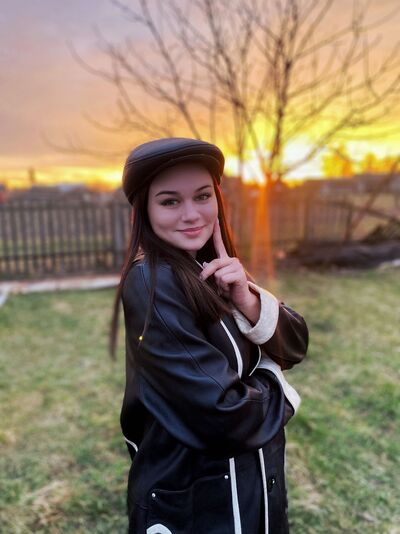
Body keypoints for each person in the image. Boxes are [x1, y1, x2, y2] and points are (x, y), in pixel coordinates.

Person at [109, 137, 309, 534]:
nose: (191, 215)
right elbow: (226, 415)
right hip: (195, 504)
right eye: (170, 201)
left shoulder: (213, 268)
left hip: (254, 487)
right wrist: (272, 374)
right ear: (144, 210)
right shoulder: (152, 283)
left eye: (202, 196)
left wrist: (248, 299)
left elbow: (296, 343)